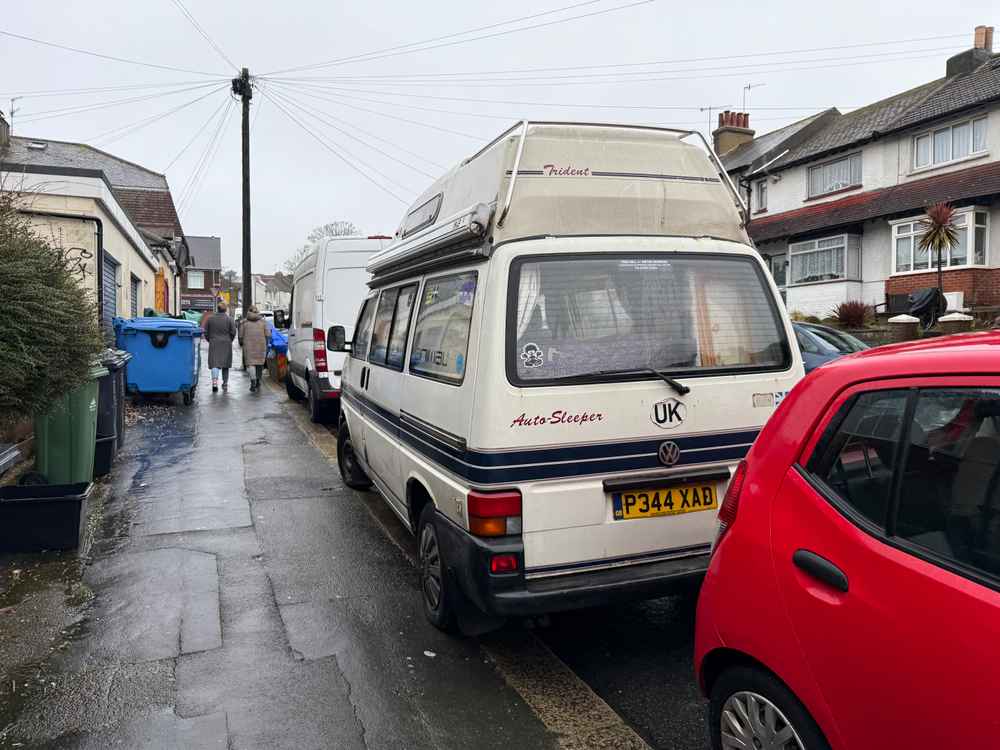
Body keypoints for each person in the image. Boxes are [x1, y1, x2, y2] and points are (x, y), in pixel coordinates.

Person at [203, 301, 237, 392]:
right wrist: (230, 340)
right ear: (225, 309)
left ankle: (214, 382)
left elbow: (205, 332)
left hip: (214, 343)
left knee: (215, 363)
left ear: (217, 309)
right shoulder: (230, 319)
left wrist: (209, 340)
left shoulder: (210, 319)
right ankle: (225, 383)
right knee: (225, 364)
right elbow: (233, 332)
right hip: (226, 343)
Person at [240, 306, 269, 392]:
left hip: (248, 346)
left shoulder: (244, 323)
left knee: (251, 364)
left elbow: (241, 336)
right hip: (261, 345)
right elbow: (268, 334)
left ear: (248, 312)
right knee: (259, 364)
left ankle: (253, 381)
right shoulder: (263, 322)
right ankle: (258, 381)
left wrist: (242, 342)